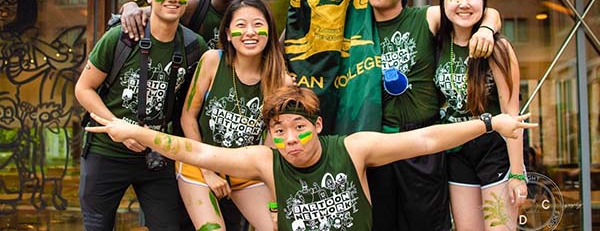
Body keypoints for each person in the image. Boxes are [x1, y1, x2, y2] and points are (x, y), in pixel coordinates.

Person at [85, 85, 536, 231]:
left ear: (317, 126)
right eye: (279, 131)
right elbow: (200, 151)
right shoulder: (266, 162)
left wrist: (490, 123)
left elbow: (426, 140)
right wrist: (137, 131)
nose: (291, 138)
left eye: (299, 127)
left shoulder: (354, 148)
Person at [120, 0, 250, 229]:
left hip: (225, 125)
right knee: (176, 209)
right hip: (182, 120)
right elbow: (144, 11)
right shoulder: (192, 6)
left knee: (228, 208)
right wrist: (128, 7)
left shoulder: (246, 14)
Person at [364, 0, 502, 231]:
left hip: (424, 139)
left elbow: (478, 9)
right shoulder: (357, 26)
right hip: (380, 139)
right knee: (381, 223)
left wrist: (486, 29)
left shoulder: (425, 17)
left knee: (427, 223)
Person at [75, 0, 208, 231]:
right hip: (106, 152)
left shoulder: (195, 46)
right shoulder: (121, 37)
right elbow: (83, 88)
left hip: (157, 155)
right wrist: (118, 126)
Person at [177, 0, 291, 230]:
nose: (250, 32)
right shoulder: (212, 61)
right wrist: (207, 171)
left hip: (243, 171)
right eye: (241, 25)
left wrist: (274, 203)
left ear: (269, 31)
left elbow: (270, 148)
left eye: (258, 24)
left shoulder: (281, 80)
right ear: (228, 33)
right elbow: (187, 117)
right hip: (198, 165)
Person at [434, 0, 526, 230]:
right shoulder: (438, 43)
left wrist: (518, 174)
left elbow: (512, 113)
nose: (464, 4)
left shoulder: (498, 48)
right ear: (443, 3)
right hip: (457, 149)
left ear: (484, 4)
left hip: (495, 149)